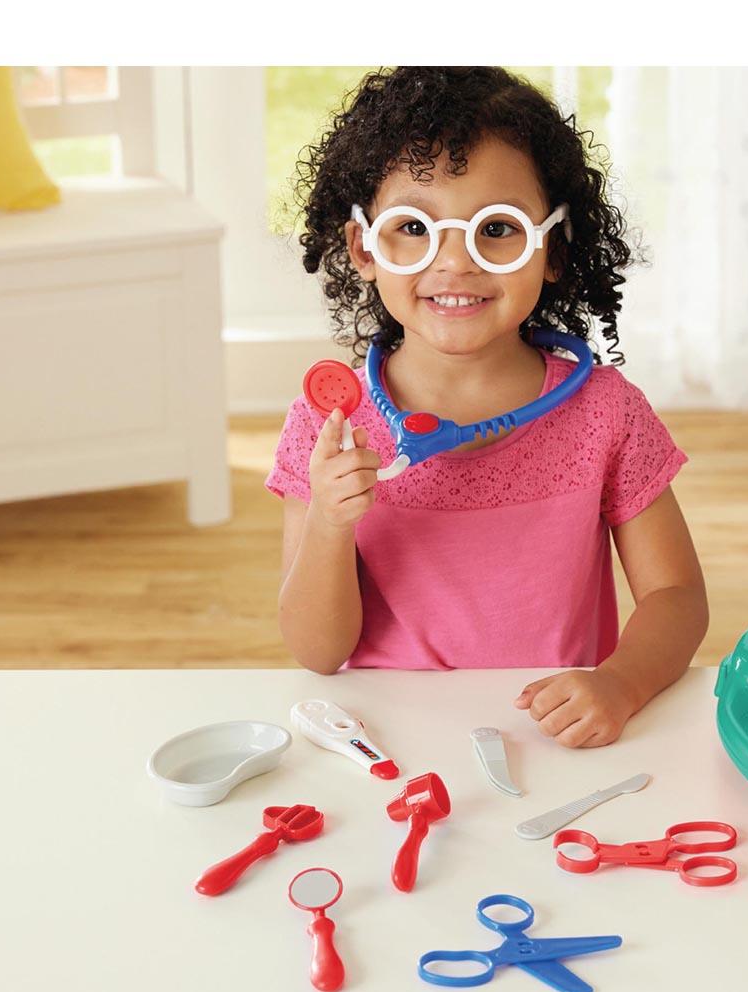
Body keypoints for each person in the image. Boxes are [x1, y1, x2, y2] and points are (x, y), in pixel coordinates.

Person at [267, 66, 708, 748]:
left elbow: (677, 599)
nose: (454, 263)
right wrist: (329, 520)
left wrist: (620, 684)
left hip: (558, 735)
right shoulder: (330, 427)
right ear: (364, 248)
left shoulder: (605, 415)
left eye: (496, 229)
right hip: (391, 741)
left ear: (552, 249)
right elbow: (317, 651)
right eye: (412, 226)